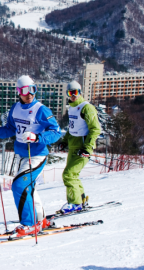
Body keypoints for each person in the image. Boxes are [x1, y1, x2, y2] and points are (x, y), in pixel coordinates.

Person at [0, 75, 61, 238]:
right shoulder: (15, 108)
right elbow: (11, 129)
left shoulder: (41, 110)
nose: (29, 94)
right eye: (24, 90)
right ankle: (40, 220)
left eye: (32, 89)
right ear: (18, 92)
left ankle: (29, 224)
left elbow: (56, 132)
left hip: (37, 155)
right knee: (29, 188)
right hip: (21, 155)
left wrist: (37, 137)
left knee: (19, 186)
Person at [58, 81, 101, 214]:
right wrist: (64, 141)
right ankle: (81, 200)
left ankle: (75, 203)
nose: (73, 96)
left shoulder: (86, 108)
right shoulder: (72, 108)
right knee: (73, 174)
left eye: (75, 92)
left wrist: (88, 148)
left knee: (68, 174)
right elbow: (72, 128)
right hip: (73, 145)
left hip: (82, 147)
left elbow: (95, 129)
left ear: (80, 92)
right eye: (70, 93)